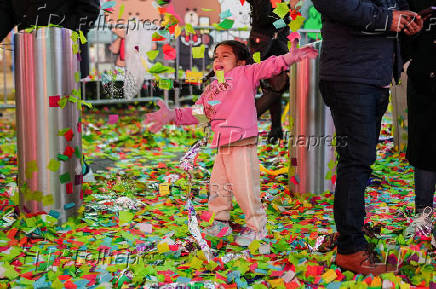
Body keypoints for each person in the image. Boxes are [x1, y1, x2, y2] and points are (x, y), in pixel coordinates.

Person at [144, 40, 317, 246]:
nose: (218, 59)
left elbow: (268, 66)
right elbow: (200, 113)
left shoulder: (245, 74)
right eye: (216, 56)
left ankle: (257, 228)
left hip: (242, 142)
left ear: (241, 62)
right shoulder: (212, 88)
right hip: (222, 145)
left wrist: (290, 57)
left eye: (225, 56)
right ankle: (220, 222)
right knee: (218, 187)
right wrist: (172, 115)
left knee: (245, 188)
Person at [312, 0, 423, 275]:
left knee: (358, 162)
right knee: (355, 162)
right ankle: (350, 250)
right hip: (351, 77)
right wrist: (388, 19)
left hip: (373, 76)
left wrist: (406, 21)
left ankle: (351, 237)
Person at [0, 0, 100, 181]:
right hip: (30, 54)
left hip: (67, 52)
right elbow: (5, 10)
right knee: (35, 118)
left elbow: (88, 9)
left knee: (63, 117)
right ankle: (38, 174)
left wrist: (58, 36)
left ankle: (76, 168)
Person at [401, 0, 436, 243]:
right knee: (425, 151)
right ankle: (423, 216)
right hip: (425, 84)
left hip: (423, 79)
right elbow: (403, 42)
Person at [246, 0, 296, 144]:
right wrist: (284, 12)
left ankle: (275, 129)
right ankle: (245, 120)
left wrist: (284, 14)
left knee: (276, 86)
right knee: (275, 87)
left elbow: (276, 20)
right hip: (265, 43)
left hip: (274, 42)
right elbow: (262, 18)